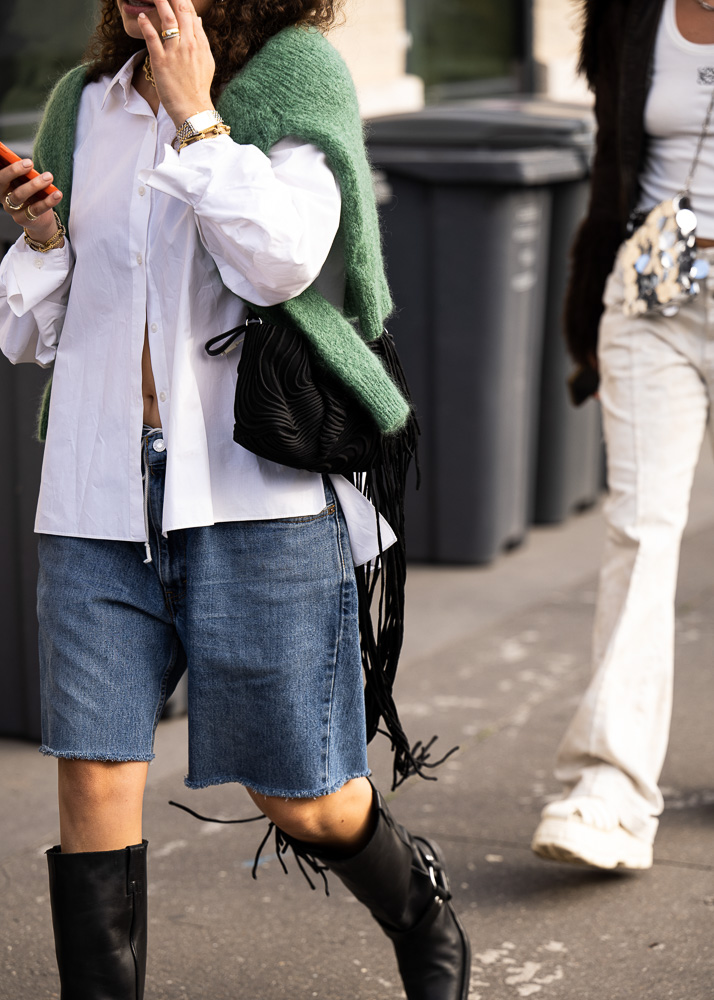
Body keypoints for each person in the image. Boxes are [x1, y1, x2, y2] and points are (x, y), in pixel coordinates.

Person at [0, 1, 471, 996]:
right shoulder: (83, 103)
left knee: (305, 796)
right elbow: (33, 334)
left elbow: (288, 262)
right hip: (97, 492)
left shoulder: (300, 76)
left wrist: (198, 116)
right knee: (92, 769)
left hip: (253, 493)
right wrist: (42, 238)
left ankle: (416, 897)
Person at [531, 0, 714, 871]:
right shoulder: (632, 10)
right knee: (639, 530)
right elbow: (617, 151)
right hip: (654, 294)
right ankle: (610, 790)